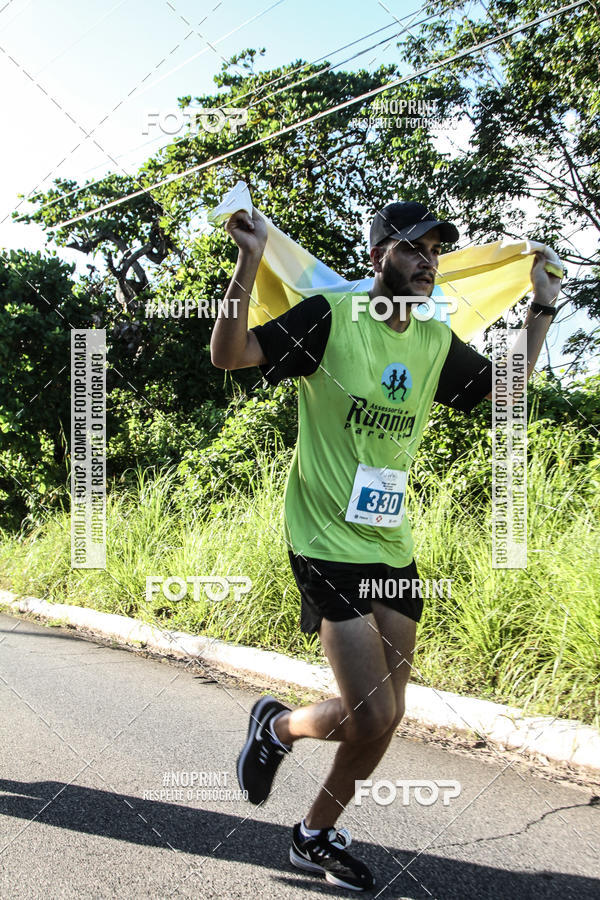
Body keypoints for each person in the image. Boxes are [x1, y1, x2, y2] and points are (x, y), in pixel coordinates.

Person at [210, 200, 562, 892]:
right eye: (411, 248)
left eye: (435, 250)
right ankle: (281, 737)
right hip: (321, 536)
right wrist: (247, 261)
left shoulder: (433, 338)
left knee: (388, 716)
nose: (427, 261)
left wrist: (540, 311)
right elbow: (230, 355)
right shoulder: (329, 317)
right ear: (378, 258)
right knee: (371, 710)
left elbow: (505, 396)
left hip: (390, 540)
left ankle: (309, 819)